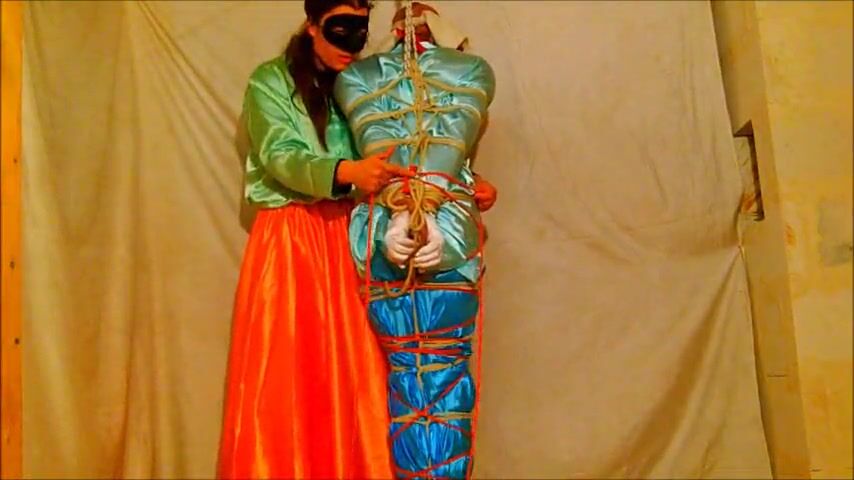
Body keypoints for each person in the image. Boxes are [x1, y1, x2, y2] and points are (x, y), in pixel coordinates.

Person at [217, 0, 499, 478]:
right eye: (338, 29)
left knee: (358, 378)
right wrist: (347, 172)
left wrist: (466, 184)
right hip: (295, 240)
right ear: (312, 25)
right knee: (295, 372)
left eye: (359, 30)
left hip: (353, 239)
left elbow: (411, 147)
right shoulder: (272, 81)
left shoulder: (362, 80)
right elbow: (281, 155)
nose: (350, 44)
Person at [334, 2, 496, 478]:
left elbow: (387, 139)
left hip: (401, 231)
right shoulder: (470, 71)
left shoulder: (359, 78)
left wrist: (405, 210)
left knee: (423, 375)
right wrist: (420, 208)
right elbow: (437, 139)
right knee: (425, 374)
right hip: (422, 232)